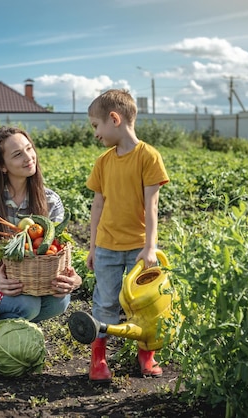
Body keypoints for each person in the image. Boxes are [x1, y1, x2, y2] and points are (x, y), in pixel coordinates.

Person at [0, 126, 82, 335]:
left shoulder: (50, 201)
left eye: (29, 149)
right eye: (18, 154)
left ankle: (15, 331)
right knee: (26, 305)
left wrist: (74, 279)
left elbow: (58, 250)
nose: (29, 157)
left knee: (60, 300)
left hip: (30, 280)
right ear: (2, 166)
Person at [85, 89, 170, 382]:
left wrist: (149, 247)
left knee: (145, 303)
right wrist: (93, 247)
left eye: (96, 126)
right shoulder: (103, 162)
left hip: (138, 248)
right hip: (107, 246)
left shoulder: (149, 157)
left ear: (114, 118)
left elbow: (152, 206)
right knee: (105, 302)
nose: (95, 133)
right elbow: (98, 205)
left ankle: (147, 358)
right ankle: (98, 360)